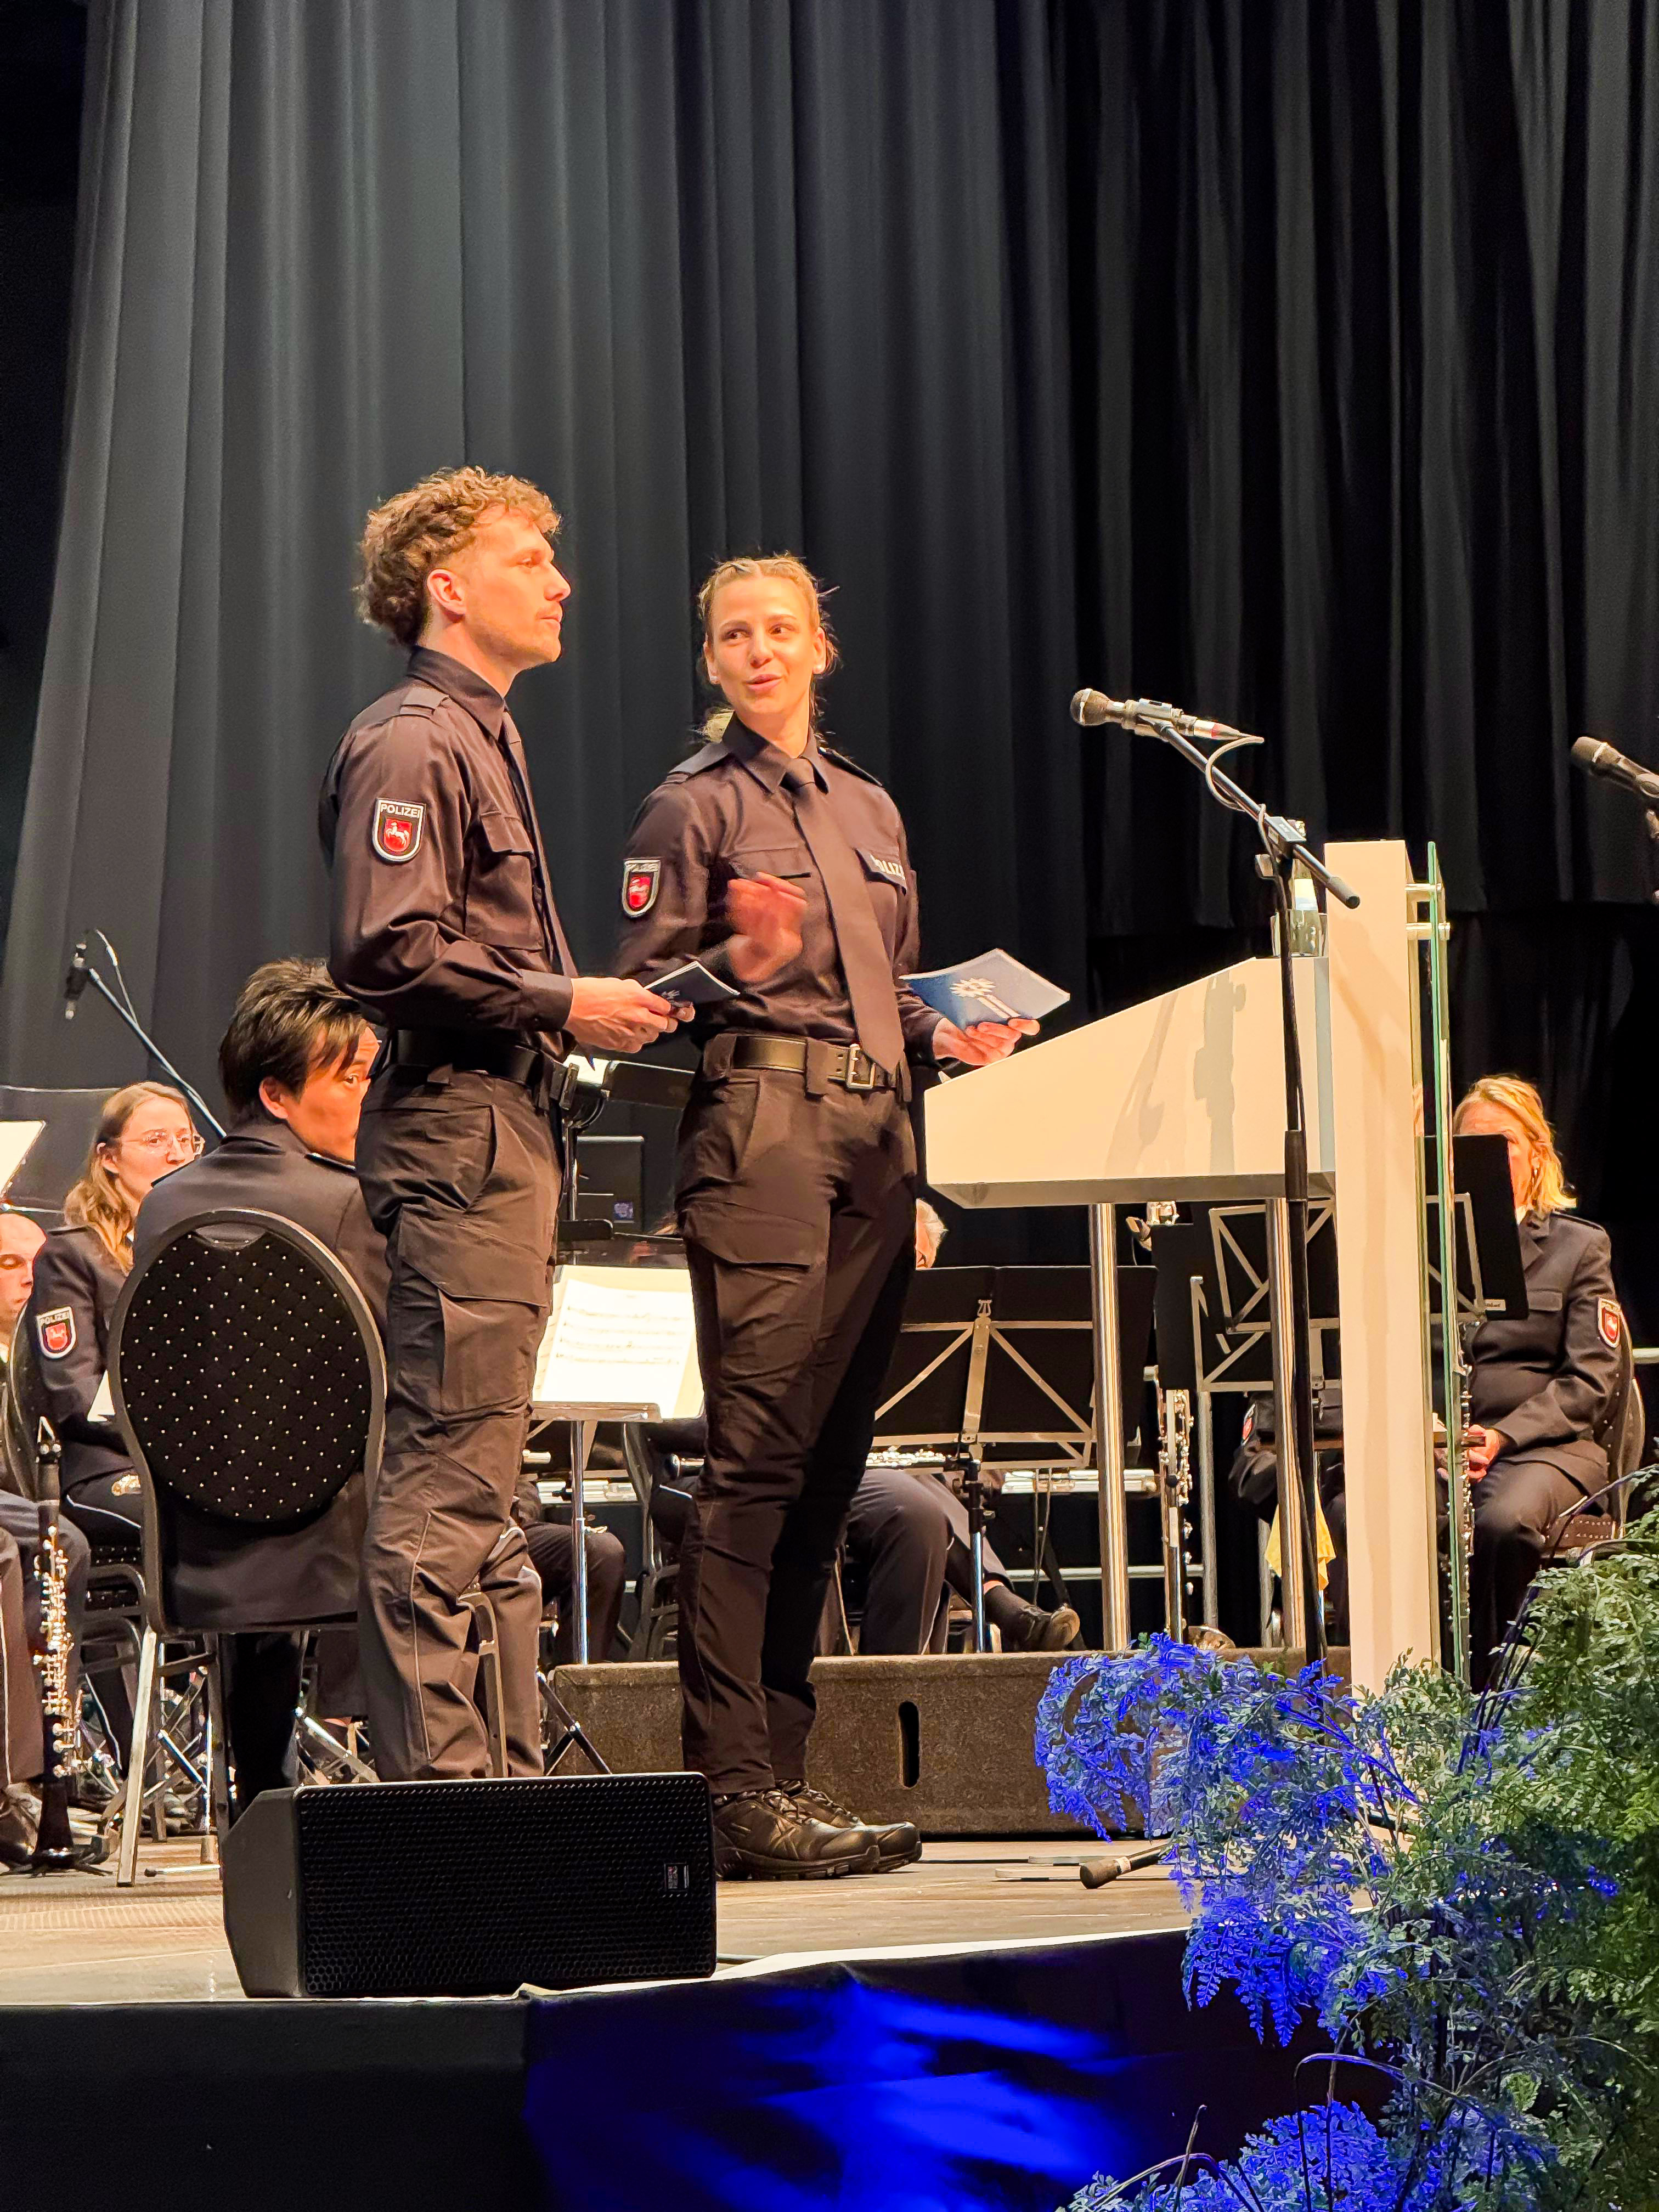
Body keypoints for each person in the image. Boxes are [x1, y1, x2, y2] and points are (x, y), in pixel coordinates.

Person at [616, 552, 1037, 1877]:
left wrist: (950, 1034)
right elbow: (639, 1002)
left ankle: (780, 1782)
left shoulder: (869, 806)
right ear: (712, 660)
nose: (760, 650)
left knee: (825, 1471)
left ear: (818, 648)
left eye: (781, 630)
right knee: (753, 1467)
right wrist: (729, 961)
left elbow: (884, 990)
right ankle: (727, 1784)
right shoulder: (691, 806)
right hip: (766, 1137)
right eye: (735, 634)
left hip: (879, 1139)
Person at [319, 466, 680, 1782]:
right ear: (449, 587)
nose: (562, 581)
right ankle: (448, 1811)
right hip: (462, 1126)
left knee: (490, 1494)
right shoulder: (414, 738)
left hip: (503, 1127)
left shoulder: (483, 733)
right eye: (530, 558)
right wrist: (564, 1000)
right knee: (450, 1483)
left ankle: (508, 1797)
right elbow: (383, 947)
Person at [133, 960, 384, 1809]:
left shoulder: (162, 1206)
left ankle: (259, 1811)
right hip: (337, 1547)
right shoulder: (351, 1203)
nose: (370, 1098)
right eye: (351, 1078)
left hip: (200, 1551)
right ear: (277, 1094)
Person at [1452, 1077, 1624, 1688]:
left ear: (1536, 1156)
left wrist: (1501, 1436)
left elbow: (1590, 1380)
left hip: (1548, 1448)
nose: (1486, 1159)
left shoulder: (1577, 1248)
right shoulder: (1421, 1248)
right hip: (1443, 1445)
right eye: (1469, 1146)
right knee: (1355, 1512)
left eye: (1502, 1143)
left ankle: (1495, 1694)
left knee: (1502, 1523)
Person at [27, 1086, 200, 1551]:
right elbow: (75, 1393)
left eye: (186, 1140)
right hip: (109, 1466)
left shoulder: (208, 1244)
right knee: (207, 1520)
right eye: (156, 1140)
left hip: (196, 1459)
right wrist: (179, 1441)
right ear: (109, 1158)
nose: (177, 1154)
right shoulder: (73, 1255)